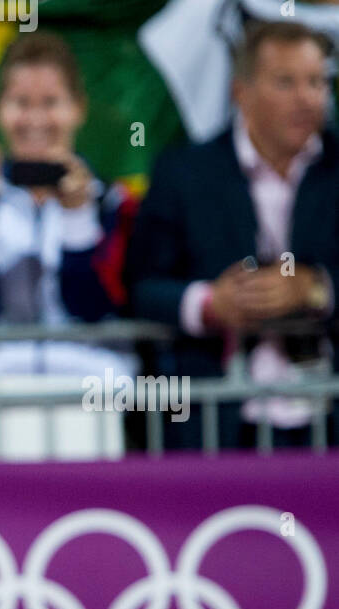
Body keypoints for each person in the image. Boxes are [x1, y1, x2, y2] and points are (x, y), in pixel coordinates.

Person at [127, 20, 339, 450]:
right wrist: (210, 304)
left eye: (318, 82)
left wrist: (318, 289)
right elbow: (141, 287)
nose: (307, 98)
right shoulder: (184, 173)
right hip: (217, 421)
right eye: (286, 82)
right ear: (240, 91)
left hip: (327, 415)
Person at [0, 32, 139, 460]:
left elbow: (91, 308)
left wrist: (76, 217)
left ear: (78, 109)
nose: (35, 118)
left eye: (50, 102)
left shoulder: (111, 202)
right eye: (20, 103)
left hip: (91, 393)